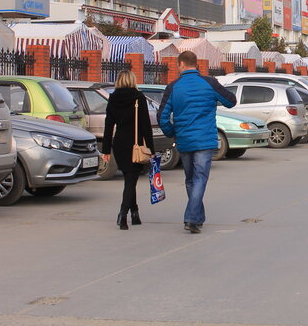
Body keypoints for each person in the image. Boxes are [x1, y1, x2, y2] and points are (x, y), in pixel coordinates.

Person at [158, 50, 236, 233]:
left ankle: (197, 218)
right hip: (205, 140)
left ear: (181, 65)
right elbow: (231, 101)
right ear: (197, 64)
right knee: (200, 178)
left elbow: (162, 117)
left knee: (191, 179)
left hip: (184, 140)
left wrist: (173, 133)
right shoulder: (209, 83)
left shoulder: (173, 87)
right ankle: (192, 218)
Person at [101, 71, 155, 230]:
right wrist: (151, 149)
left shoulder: (113, 98)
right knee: (131, 181)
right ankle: (123, 214)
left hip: (119, 143)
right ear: (132, 80)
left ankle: (135, 213)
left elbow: (108, 125)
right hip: (135, 144)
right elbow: (145, 125)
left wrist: (106, 149)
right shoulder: (139, 98)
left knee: (129, 179)